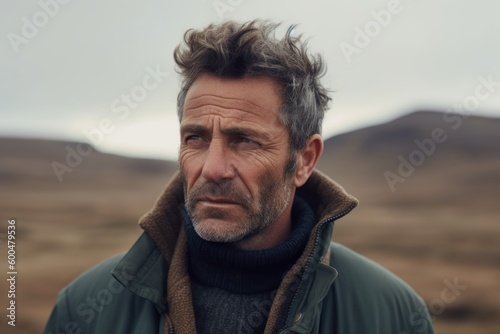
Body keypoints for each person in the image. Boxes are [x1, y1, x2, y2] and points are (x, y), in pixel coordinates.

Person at [44, 20, 435, 334]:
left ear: (304, 160)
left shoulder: (392, 315)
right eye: (195, 138)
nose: (212, 169)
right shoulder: (84, 309)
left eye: (245, 141)